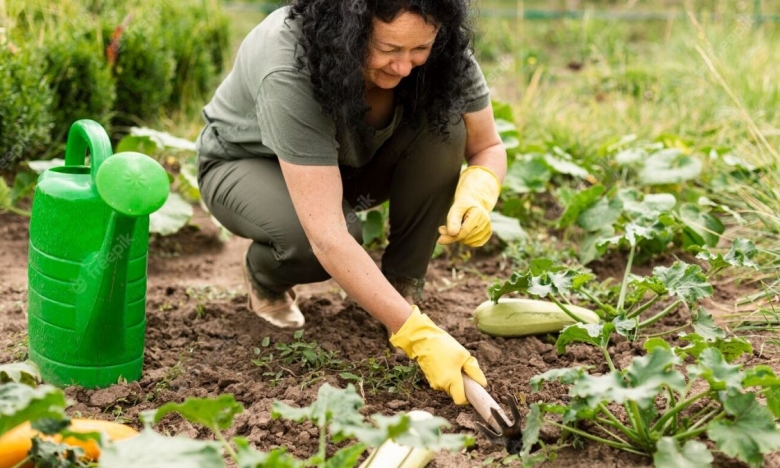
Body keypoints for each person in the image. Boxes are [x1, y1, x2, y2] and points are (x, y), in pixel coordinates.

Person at [195, 0, 507, 406]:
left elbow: (488, 146)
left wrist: (479, 191)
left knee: (447, 127)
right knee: (316, 242)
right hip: (247, 165)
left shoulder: (439, 45)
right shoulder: (290, 64)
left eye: (418, 50)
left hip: (346, 165)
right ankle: (265, 278)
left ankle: (401, 289)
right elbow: (328, 237)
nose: (404, 66)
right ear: (348, 30)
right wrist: (418, 339)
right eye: (389, 49)